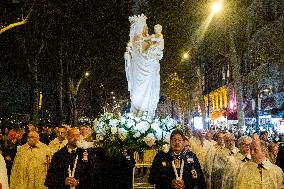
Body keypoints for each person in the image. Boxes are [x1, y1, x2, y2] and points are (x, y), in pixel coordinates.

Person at [125, 14, 163, 118]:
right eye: (142, 26)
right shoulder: (132, 43)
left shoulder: (149, 40)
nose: (145, 28)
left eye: (145, 26)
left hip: (149, 70)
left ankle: (146, 111)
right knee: (137, 89)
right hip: (137, 70)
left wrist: (153, 56)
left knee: (149, 88)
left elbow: (157, 53)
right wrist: (127, 55)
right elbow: (130, 58)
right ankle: (137, 110)